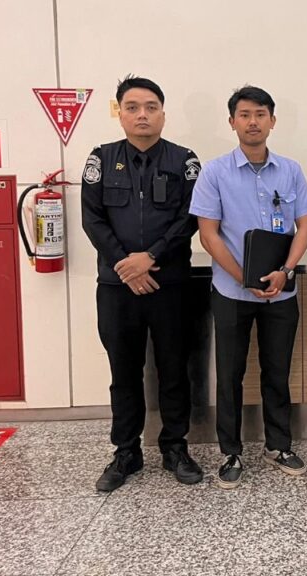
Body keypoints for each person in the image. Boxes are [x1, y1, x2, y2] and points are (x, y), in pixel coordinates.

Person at [81, 75, 204, 492]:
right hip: (117, 287)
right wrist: (126, 266)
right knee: (124, 371)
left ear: (163, 114)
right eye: (132, 107)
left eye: (151, 107)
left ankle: (175, 447)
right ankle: (126, 452)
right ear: (120, 114)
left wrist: (149, 258)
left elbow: (190, 218)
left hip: (170, 285)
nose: (142, 115)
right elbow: (93, 219)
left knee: (174, 368)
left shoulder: (184, 161)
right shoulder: (101, 159)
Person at [190, 86, 307, 488]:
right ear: (232, 122)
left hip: (282, 290)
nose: (252, 122)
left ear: (272, 121)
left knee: (277, 370)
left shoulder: (291, 170)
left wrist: (286, 270)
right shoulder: (214, 173)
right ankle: (230, 452)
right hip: (231, 293)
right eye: (244, 115)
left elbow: (305, 225)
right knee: (230, 374)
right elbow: (208, 234)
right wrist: (243, 277)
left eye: (260, 114)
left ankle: (278, 445)